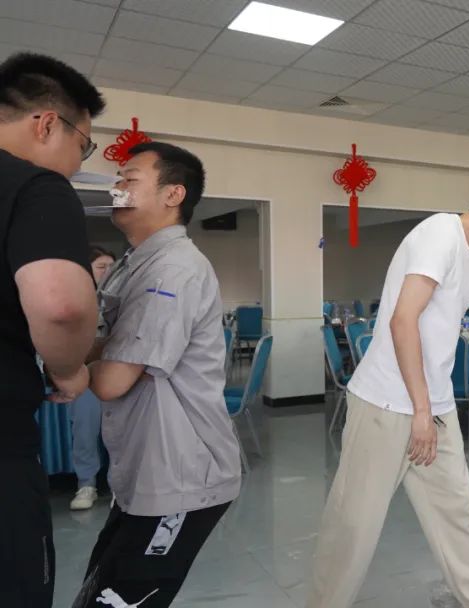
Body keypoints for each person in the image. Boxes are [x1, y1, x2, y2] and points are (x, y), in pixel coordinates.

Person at [307, 174, 469, 608]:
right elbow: (403, 319)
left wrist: (428, 410)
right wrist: (419, 411)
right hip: (387, 402)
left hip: (434, 406)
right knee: (354, 523)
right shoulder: (439, 234)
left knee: (456, 510)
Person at [72, 143, 241, 608]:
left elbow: (111, 379)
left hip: (180, 476)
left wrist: (66, 369)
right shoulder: (133, 262)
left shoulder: (173, 269)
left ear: (173, 194)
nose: (117, 188)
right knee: (97, 587)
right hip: (145, 468)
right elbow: (104, 346)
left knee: (118, 599)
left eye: (130, 179)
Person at [0, 52, 102, 608]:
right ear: (45, 123)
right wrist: (68, 370)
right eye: (83, 146)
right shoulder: (36, 186)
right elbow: (61, 306)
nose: (78, 165)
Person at [68, 245, 117, 511]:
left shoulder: (123, 299)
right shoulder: (74, 300)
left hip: (118, 373)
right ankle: (86, 483)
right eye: (101, 267)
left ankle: (120, 485)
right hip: (86, 375)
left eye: (112, 267)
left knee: (123, 427)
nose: (108, 271)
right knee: (84, 425)